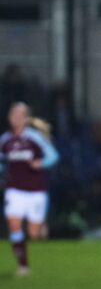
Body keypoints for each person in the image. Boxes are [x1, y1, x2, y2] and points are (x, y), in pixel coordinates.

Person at [0, 103, 60, 276]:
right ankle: (23, 265)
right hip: (14, 189)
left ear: (26, 119)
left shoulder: (34, 138)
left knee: (34, 234)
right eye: (14, 114)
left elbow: (53, 156)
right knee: (14, 224)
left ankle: (41, 225)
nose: (16, 118)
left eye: (20, 114)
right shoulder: (5, 140)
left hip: (35, 190)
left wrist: (40, 163)